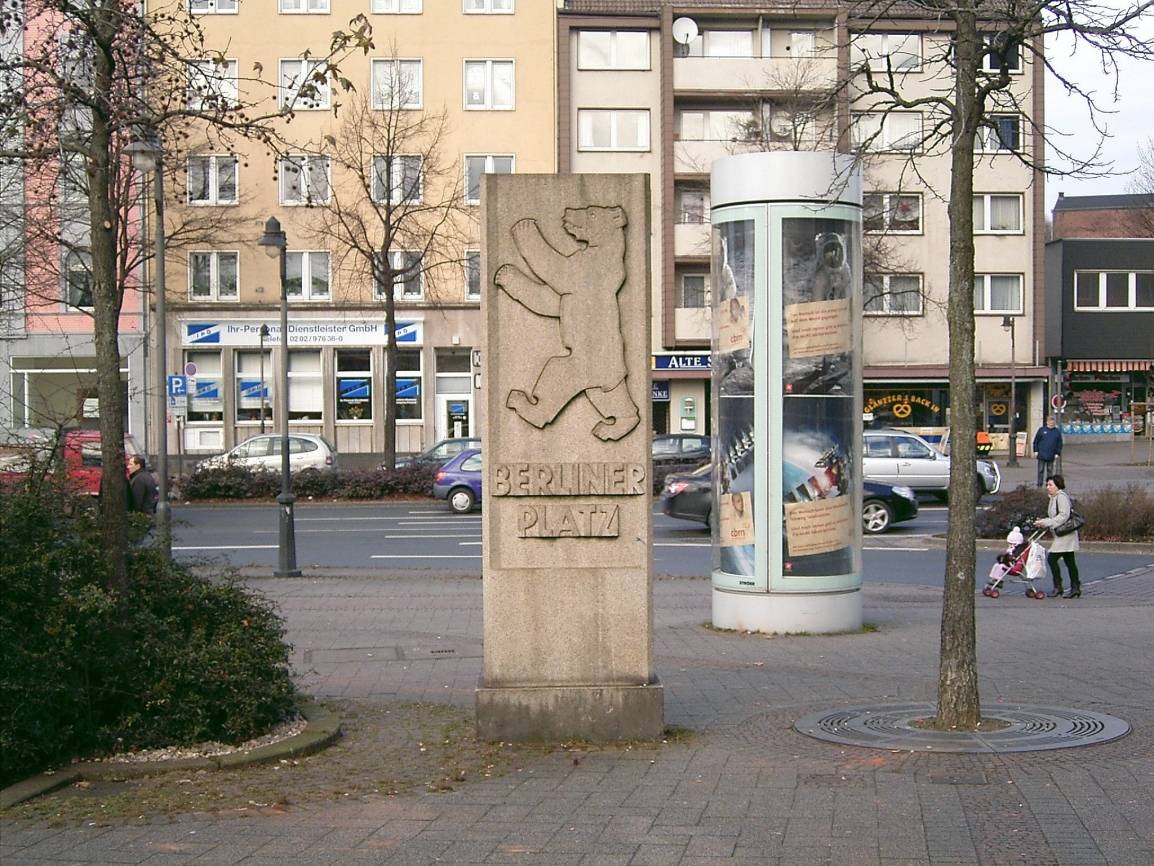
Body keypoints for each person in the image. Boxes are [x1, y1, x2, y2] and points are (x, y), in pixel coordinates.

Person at [1034, 474, 1080, 599]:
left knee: (1052, 559)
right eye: (1047, 485)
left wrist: (1047, 522)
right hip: (1063, 534)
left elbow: (1063, 516)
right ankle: (1075, 587)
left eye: (1050, 485)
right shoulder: (1053, 498)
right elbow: (1055, 516)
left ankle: (1058, 587)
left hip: (1066, 535)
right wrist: (1044, 521)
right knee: (1069, 561)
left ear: (1057, 485)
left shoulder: (1061, 497)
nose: (1048, 487)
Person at [1032, 415, 1063, 487]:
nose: (1051, 423)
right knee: (1040, 470)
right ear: (1047, 422)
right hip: (1041, 454)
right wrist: (1036, 451)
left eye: (1053, 422)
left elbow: (1059, 443)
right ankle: (1039, 484)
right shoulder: (1041, 430)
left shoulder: (1057, 432)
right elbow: (1036, 441)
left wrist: (1057, 453)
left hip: (1051, 455)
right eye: (1050, 422)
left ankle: (1049, 484)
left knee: (1050, 471)